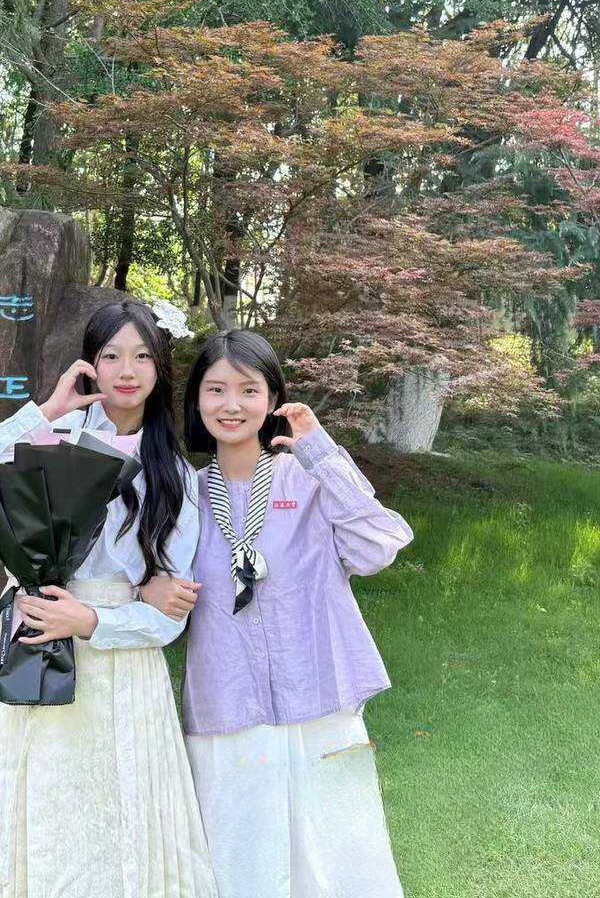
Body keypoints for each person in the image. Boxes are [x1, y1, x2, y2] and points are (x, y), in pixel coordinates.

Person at [0, 300, 217, 898]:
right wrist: (44, 411)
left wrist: (90, 618)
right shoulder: (51, 438)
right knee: (44, 807)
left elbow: (170, 616)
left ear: (161, 367)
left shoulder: (174, 476)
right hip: (39, 638)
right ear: (89, 363)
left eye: (142, 356)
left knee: (117, 818)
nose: (126, 371)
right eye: (111, 355)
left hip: (119, 664)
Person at [142, 328, 413, 898]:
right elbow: (151, 579)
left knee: (336, 853)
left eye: (249, 390)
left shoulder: (308, 479)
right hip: (228, 700)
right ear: (196, 401)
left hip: (318, 694)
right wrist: (150, 590)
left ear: (272, 400)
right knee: (242, 853)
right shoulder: (185, 494)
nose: (232, 405)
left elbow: (378, 546)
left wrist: (320, 452)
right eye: (216, 390)